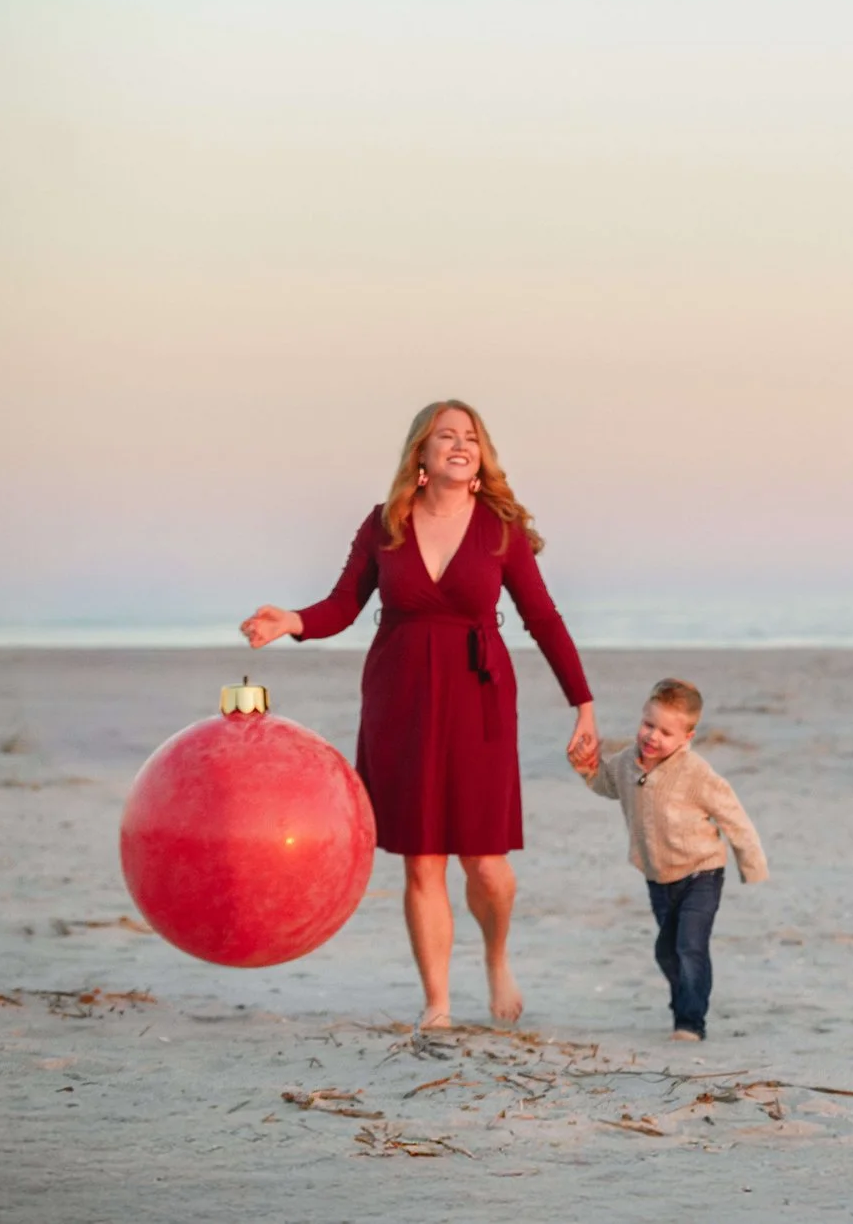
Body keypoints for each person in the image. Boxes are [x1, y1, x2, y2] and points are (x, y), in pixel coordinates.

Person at [240, 399, 600, 1029]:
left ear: (482, 456)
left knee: (487, 863)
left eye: (471, 437)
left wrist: (583, 704)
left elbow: (543, 618)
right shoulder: (386, 522)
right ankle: (438, 1003)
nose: (460, 445)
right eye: (446, 436)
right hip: (400, 697)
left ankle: (495, 955)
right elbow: (343, 605)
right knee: (423, 859)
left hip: (479, 698)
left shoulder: (500, 528)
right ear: (422, 453)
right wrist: (292, 620)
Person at [571, 677, 769, 1042]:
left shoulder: (696, 773)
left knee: (690, 946)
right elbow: (606, 784)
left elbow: (734, 817)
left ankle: (690, 1023)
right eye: (649, 724)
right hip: (658, 876)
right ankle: (683, 1005)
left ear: (686, 737)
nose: (652, 736)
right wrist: (586, 768)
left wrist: (751, 864)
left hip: (701, 874)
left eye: (665, 732)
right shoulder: (627, 762)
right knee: (667, 953)